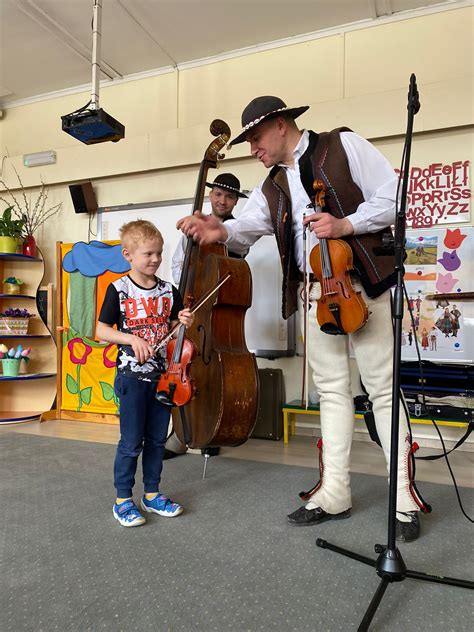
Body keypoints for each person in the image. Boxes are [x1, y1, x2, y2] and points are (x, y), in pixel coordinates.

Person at [177, 95, 429, 542]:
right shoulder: (270, 186)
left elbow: (395, 196)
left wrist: (347, 225)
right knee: (330, 392)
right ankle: (335, 491)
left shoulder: (342, 145)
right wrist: (219, 230)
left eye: (255, 138)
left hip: (361, 285)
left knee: (383, 390)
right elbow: (245, 227)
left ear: (279, 125)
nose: (252, 148)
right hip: (315, 294)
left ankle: (404, 497)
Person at [96, 220, 194, 527]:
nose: (155, 259)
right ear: (128, 254)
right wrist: (131, 339)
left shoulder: (169, 291)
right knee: (131, 442)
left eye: (159, 253)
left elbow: (173, 331)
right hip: (131, 378)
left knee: (156, 441)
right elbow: (100, 331)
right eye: (148, 254)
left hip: (164, 379)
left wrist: (182, 321)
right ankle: (123, 500)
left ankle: (151, 495)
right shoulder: (119, 289)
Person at [164, 173, 248, 460]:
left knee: (215, 374)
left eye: (229, 196)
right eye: (218, 194)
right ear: (210, 196)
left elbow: (234, 259)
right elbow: (178, 263)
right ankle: (180, 433)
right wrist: (189, 285)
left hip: (219, 312)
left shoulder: (239, 230)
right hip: (193, 306)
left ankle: (211, 428)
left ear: (236, 200)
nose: (222, 200)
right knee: (186, 366)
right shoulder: (193, 228)